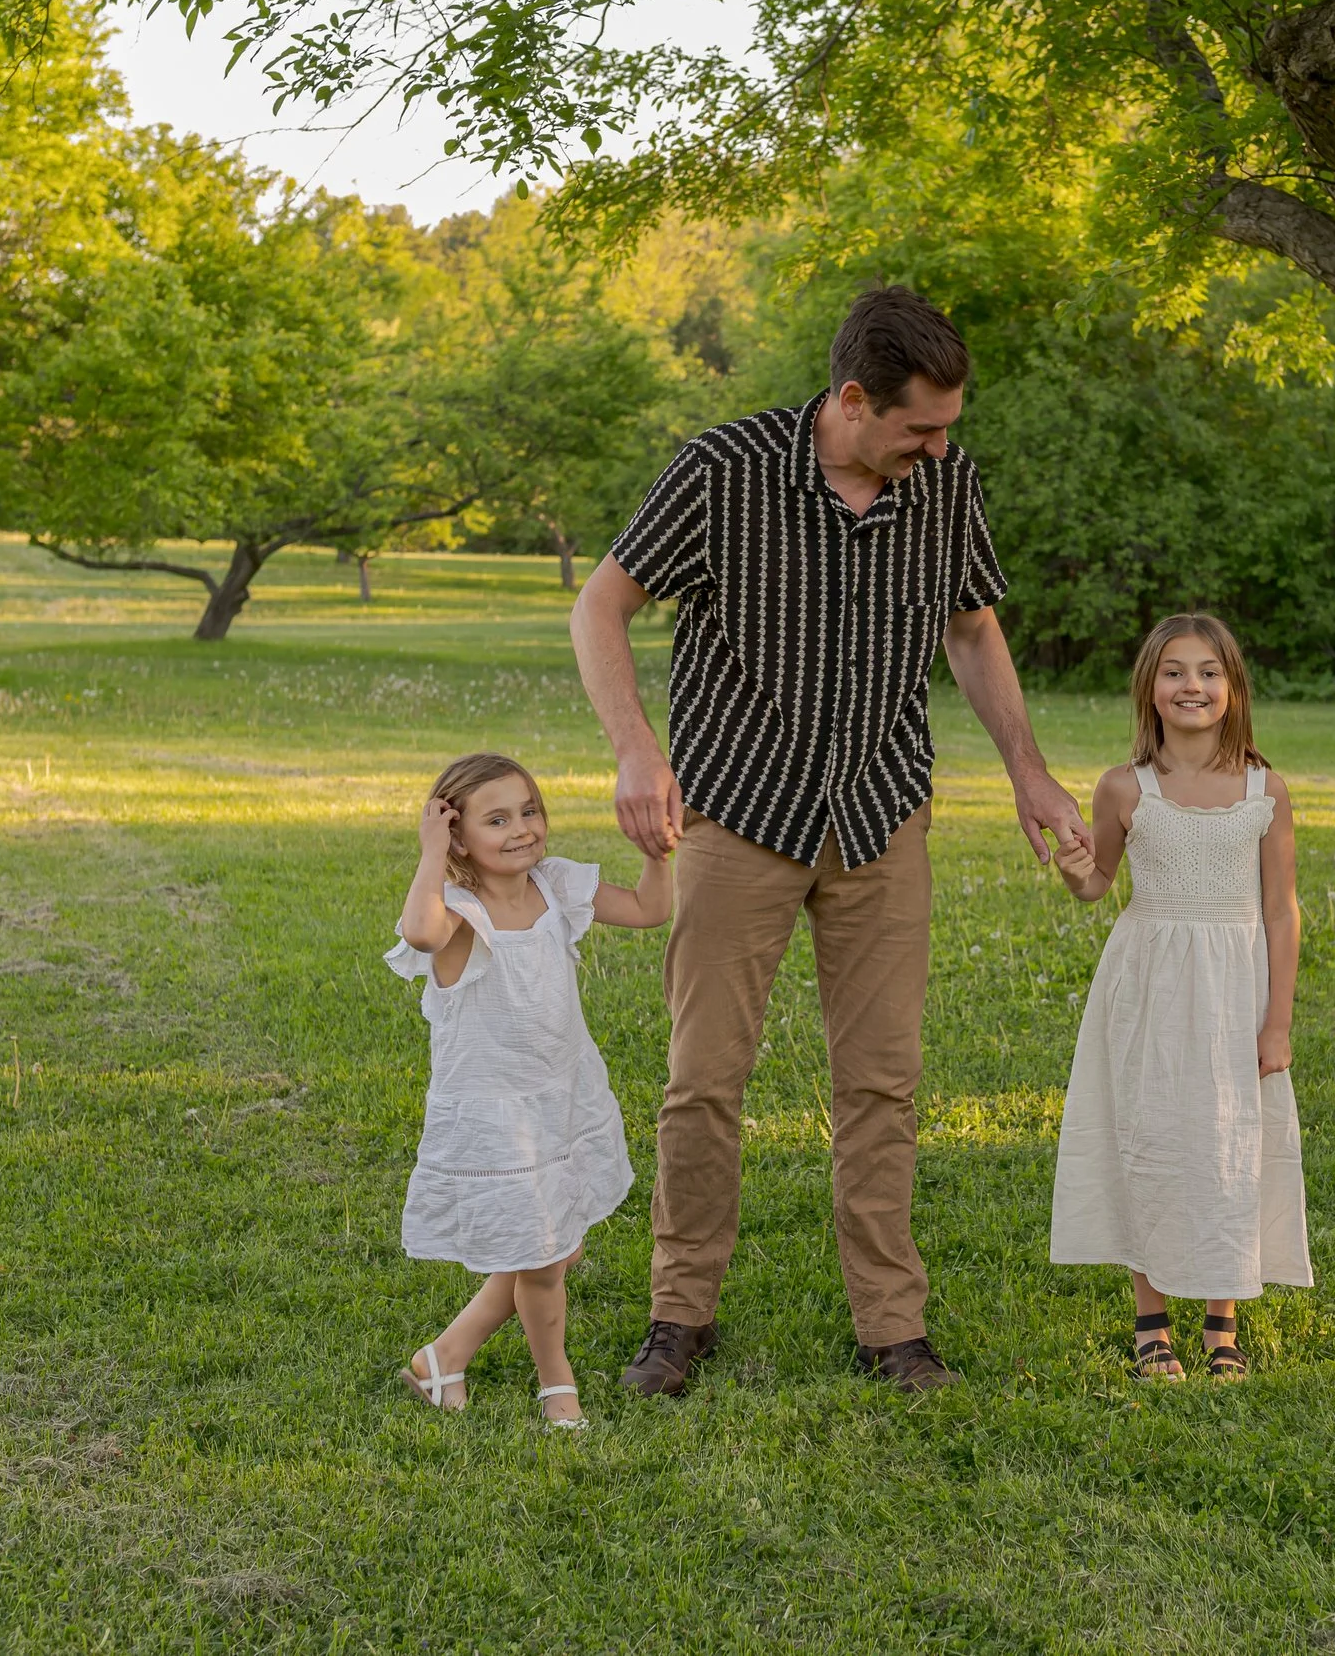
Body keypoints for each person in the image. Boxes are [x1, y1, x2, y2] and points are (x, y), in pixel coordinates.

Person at [570, 285, 1086, 1396]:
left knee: (882, 1085)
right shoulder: (723, 471)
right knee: (704, 1079)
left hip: (881, 812)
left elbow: (970, 624)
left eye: (948, 426)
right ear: (853, 400)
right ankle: (678, 1317)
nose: (941, 446)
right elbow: (598, 604)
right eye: (920, 426)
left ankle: (892, 1327)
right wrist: (632, 747)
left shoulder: (942, 482)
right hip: (738, 810)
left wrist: (1028, 771)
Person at [1047, 613, 1313, 1381]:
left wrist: (1278, 1021)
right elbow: (1095, 883)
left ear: (1231, 689)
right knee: (1155, 1137)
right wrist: (1071, 866)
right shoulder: (1125, 787)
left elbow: (1279, 910)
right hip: (1151, 987)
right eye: (1173, 671)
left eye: (1207, 672)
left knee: (1228, 1143)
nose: (1190, 685)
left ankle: (1222, 1322)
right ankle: (1152, 1320)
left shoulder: (1266, 790)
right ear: (1149, 688)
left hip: (1237, 988)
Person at [386, 752, 672, 1426]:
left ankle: (442, 1357)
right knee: (543, 1259)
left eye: (529, 810)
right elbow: (418, 932)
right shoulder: (458, 910)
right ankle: (557, 1383)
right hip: (497, 1114)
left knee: (550, 1246)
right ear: (457, 835)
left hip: (560, 1095)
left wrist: (656, 854)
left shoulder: (557, 884)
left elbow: (649, 909)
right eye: (496, 819)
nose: (521, 829)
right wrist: (430, 854)